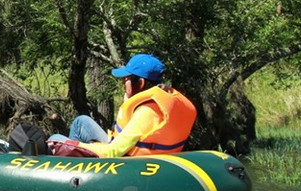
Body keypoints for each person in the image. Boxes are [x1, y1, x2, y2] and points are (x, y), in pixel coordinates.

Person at [48, 54, 196, 158]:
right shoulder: (163, 100)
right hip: (129, 148)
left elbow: (113, 152)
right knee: (81, 122)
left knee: (55, 138)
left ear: (141, 83)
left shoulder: (147, 112)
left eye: (126, 79)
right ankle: (74, 166)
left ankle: (71, 175)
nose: (123, 83)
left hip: (126, 159)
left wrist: (71, 144)